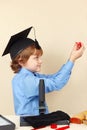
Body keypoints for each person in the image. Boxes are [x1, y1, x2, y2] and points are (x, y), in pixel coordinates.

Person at [2, 26, 85, 117]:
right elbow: (56, 83)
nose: (40, 61)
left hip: (35, 122)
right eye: (36, 58)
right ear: (21, 61)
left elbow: (54, 77)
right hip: (31, 124)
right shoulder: (26, 80)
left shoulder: (32, 76)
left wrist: (71, 57)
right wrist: (73, 59)